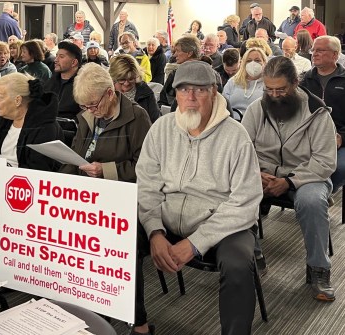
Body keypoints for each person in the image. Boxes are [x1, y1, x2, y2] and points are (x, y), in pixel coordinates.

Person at [134, 60, 262, 335]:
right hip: (165, 220)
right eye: (183, 90)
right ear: (175, 94)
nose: (190, 98)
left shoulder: (236, 137)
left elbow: (245, 201)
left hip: (221, 224)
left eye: (199, 90)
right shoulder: (161, 129)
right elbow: (147, 185)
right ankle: (139, 324)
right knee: (120, 240)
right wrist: (154, 231)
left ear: (214, 93)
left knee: (239, 265)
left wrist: (194, 243)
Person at [243, 56, 336, 301]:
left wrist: (290, 181)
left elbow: (325, 162)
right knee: (236, 191)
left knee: (312, 202)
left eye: (281, 89)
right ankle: (252, 256)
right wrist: (256, 173)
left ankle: (319, 268)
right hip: (263, 175)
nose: (274, 95)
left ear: (295, 83)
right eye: (269, 89)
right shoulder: (256, 109)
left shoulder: (317, 113)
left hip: (308, 177)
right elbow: (241, 150)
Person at [58, 63, 151, 181]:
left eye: (93, 104)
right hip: (84, 189)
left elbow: (146, 167)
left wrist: (106, 171)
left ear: (110, 93)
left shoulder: (136, 116)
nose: (90, 111)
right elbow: (75, 157)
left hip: (115, 190)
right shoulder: (86, 116)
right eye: (84, 106)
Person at [0, 72, 63, 170]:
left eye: (0, 96)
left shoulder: (46, 128)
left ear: (18, 100)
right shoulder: (5, 119)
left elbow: (38, 169)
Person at [300, 36, 345, 192]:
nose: (314, 53)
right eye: (313, 50)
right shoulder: (305, 79)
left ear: (335, 54)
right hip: (308, 137)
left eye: (320, 50)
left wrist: (342, 136)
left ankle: (324, 194)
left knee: (338, 168)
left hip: (339, 139)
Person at [109, 54, 159, 124]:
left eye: (131, 79)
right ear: (114, 78)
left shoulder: (145, 93)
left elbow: (155, 121)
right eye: (122, 79)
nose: (126, 83)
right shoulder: (107, 94)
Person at [222, 47, 268, 120]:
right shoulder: (233, 81)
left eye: (257, 60)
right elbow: (223, 105)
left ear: (264, 62)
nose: (253, 63)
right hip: (233, 123)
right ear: (243, 63)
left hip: (258, 125)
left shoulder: (268, 84)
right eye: (249, 61)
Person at [159, 35, 202, 107]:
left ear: (189, 53)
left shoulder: (176, 74)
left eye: (178, 51)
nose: (175, 55)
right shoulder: (174, 73)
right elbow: (162, 100)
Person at [44, 41, 82, 122]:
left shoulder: (83, 84)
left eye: (61, 57)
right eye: (56, 56)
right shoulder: (51, 82)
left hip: (70, 130)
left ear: (74, 62)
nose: (56, 60)